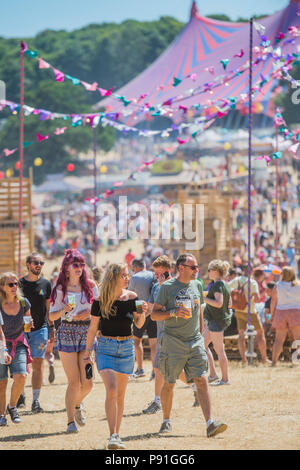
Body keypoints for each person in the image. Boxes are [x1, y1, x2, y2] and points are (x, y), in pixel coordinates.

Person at [152, 253, 227, 438]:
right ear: (181, 268)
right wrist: (173, 312)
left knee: (201, 379)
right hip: (172, 341)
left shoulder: (197, 284)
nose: (197, 271)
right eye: (193, 268)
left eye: (197, 268)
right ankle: (166, 420)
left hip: (194, 340)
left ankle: (210, 424)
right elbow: (154, 314)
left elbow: (200, 312)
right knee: (169, 383)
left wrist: (201, 335)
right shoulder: (167, 288)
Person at [83, 263, 147, 450]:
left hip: (127, 348)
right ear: (113, 277)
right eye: (124, 276)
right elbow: (93, 328)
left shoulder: (132, 297)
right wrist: (87, 353)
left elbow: (138, 323)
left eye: (128, 275)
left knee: (120, 395)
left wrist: (143, 313)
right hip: (105, 348)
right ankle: (112, 436)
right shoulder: (99, 300)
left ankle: (117, 435)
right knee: (111, 389)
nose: (128, 279)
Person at [49, 249, 99, 433]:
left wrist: (90, 313)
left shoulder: (91, 285)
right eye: (75, 265)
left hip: (87, 333)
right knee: (74, 382)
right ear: (67, 268)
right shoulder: (60, 289)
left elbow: (100, 310)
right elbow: (52, 316)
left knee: (88, 382)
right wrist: (63, 311)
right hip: (67, 332)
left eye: (82, 265)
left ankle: (77, 405)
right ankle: (70, 421)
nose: (79, 268)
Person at [19, 252, 52, 413]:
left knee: (38, 364)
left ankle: (36, 400)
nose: (39, 265)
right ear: (28, 265)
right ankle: (21, 394)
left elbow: (48, 309)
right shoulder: (18, 284)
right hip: (20, 331)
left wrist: (51, 329)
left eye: (41, 263)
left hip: (40, 329)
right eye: (35, 262)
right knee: (21, 365)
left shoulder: (46, 284)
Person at [0, 272, 32, 426]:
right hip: (0, 345)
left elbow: (27, 326)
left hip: (18, 343)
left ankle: (12, 407)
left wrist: (29, 325)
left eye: (16, 284)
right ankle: (1, 415)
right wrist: (3, 349)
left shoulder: (24, 302)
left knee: (21, 376)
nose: (14, 287)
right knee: (2, 381)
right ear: (2, 287)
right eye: (10, 284)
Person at [143, 255, 172, 414]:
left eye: (159, 274)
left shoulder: (176, 286)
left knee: (178, 369)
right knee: (157, 367)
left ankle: (197, 386)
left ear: (168, 272)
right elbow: (150, 308)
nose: (156, 277)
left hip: (174, 333)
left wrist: (165, 287)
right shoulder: (155, 287)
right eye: (155, 274)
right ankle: (157, 401)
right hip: (161, 334)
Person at [228, 266, 269, 365]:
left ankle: (244, 360)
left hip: (239, 310)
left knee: (241, 335)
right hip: (251, 311)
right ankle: (264, 358)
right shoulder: (253, 282)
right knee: (260, 333)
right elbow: (257, 298)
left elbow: (227, 288)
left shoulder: (236, 280)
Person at [203, 260, 232, 386]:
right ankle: (213, 374)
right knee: (202, 345)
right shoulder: (224, 284)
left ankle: (225, 379)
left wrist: (203, 298)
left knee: (220, 351)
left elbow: (219, 303)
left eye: (209, 270)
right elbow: (229, 304)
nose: (208, 272)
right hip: (215, 320)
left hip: (216, 321)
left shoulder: (217, 285)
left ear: (215, 271)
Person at [128, 258, 156, 378]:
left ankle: (140, 369)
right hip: (154, 310)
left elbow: (128, 294)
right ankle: (155, 371)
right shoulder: (153, 275)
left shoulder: (135, 277)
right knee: (154, 343)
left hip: (139, 310)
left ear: (135, 267)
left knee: (137, 341)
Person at [270, 266, 300, 366]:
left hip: (281, 312)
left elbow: (273, 301)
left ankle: (274, 362)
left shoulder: (278, 285)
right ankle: (297, 360)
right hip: (295, 312)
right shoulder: (298, 285)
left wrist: (272, 314)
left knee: (278, 339)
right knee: (298, 339)